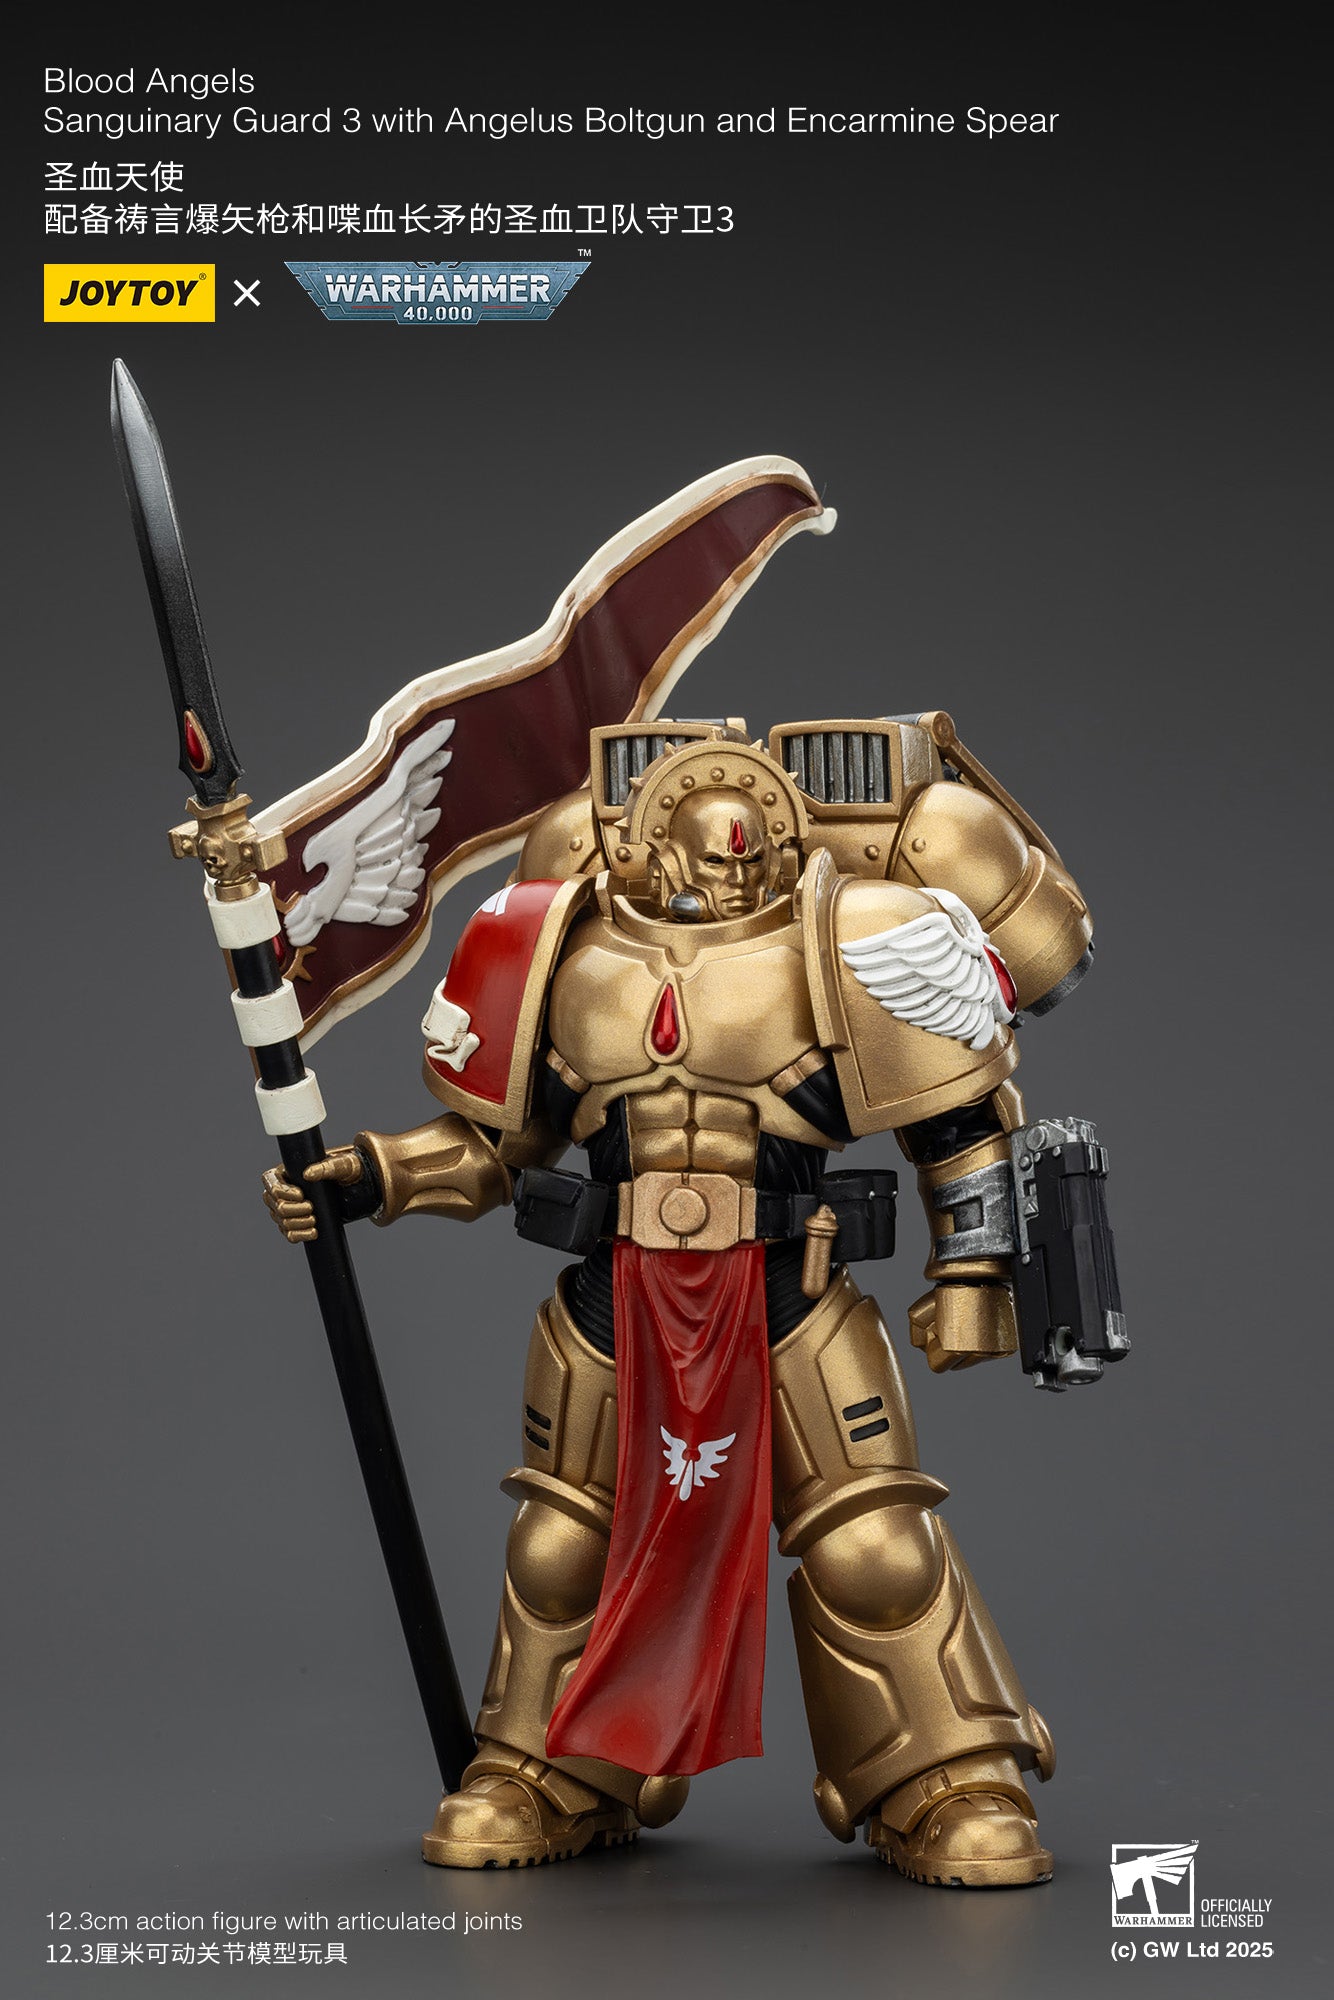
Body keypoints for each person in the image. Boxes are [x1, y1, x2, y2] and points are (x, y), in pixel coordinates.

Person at [263, 715, 1100, 1884]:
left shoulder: (853, 930)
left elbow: (958, 1124)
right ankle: (551, 1769)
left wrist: (969, 1274)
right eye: (710, 852)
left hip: (791, 1293)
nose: (734, 870)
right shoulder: (561, 949)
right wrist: (368, 1174)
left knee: (873, 1548)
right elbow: (491, 1144)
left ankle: (942, 1775)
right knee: (560, 1546)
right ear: (650, 843)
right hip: (613, 1298)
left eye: (754, 851)